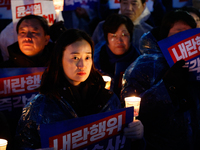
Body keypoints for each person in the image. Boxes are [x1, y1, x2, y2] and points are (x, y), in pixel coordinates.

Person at [15, 29, 144, 150]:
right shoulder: (39, 107)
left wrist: (136, 136)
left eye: (87, 57)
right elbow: (22, 145)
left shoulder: (108, 99)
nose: (82, 65)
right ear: (60, 59)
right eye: (75, 58)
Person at [121, 10, 200, 150]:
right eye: (179, 33)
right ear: (165, 35)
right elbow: (131, 112)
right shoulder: (142, 67)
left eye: (190, 34)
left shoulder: (197, 62)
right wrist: (167, 86)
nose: (185, 39)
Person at [94, 13, 140, 100]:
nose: (119, 41)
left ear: (130, 36)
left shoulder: (140, 63)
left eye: (124, 35)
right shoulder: (94, 63)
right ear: (106, 38)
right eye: (113, 36)